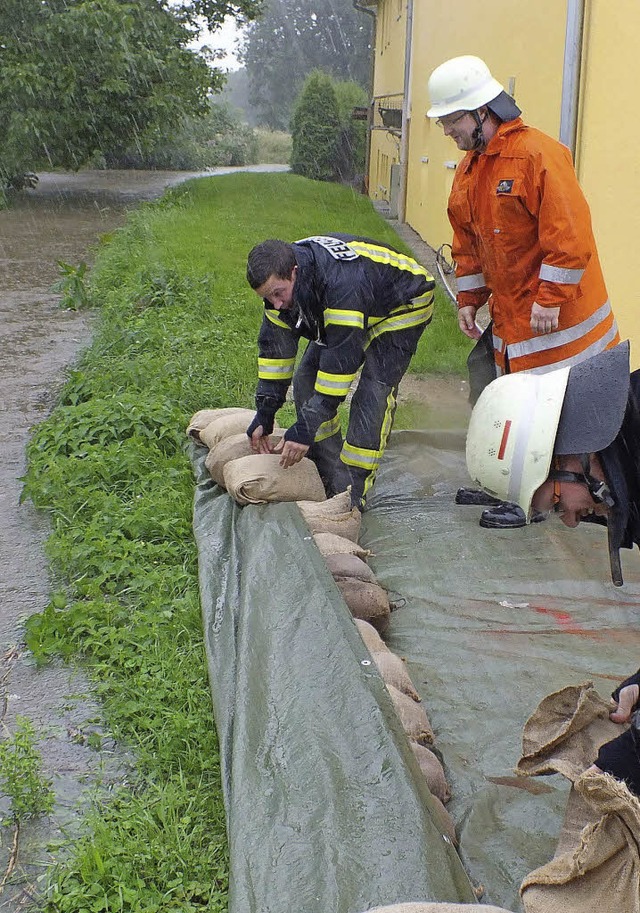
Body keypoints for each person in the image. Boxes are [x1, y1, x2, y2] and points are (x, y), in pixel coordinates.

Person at [426, 55, 620, 529]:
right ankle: (510, 486)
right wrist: (470, 300)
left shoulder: (538, 155)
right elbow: (468, 245)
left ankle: (538, 499)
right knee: (513, 408)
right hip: (516, 323)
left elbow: (570, 236)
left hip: (563, 324)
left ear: (482, 111)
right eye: (445, 122)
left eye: (453, 121)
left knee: (554, 421)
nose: (448, 131)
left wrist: (550, 298)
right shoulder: (471, 171)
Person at [245, 234, 435, 511]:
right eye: (266, 297)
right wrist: (266, 411)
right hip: (358, 301)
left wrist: (306, 429)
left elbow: (339, 369)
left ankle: (353, 491)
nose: (275, 304)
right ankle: (330, 470)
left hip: (403, 301)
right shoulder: (280, 291)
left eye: (278, 293)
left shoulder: (340, 286)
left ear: (294, 273)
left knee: (373, 393)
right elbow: (276, 355)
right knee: (305, 380)